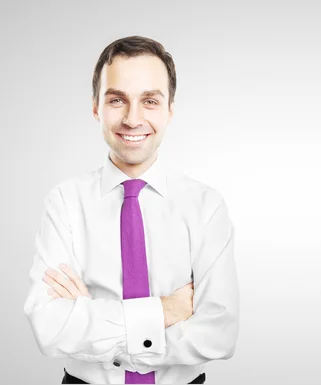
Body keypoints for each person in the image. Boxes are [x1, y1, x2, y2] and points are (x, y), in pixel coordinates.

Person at [23, 35, 240, 384]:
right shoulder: (64, 202)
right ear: (96, 107)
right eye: (117, 100)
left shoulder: (206, 207)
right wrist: (166, 311)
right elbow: (50, 329)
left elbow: (218, 335)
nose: (132, 118)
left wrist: (92, 322)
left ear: (170, 109)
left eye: (150, 101)